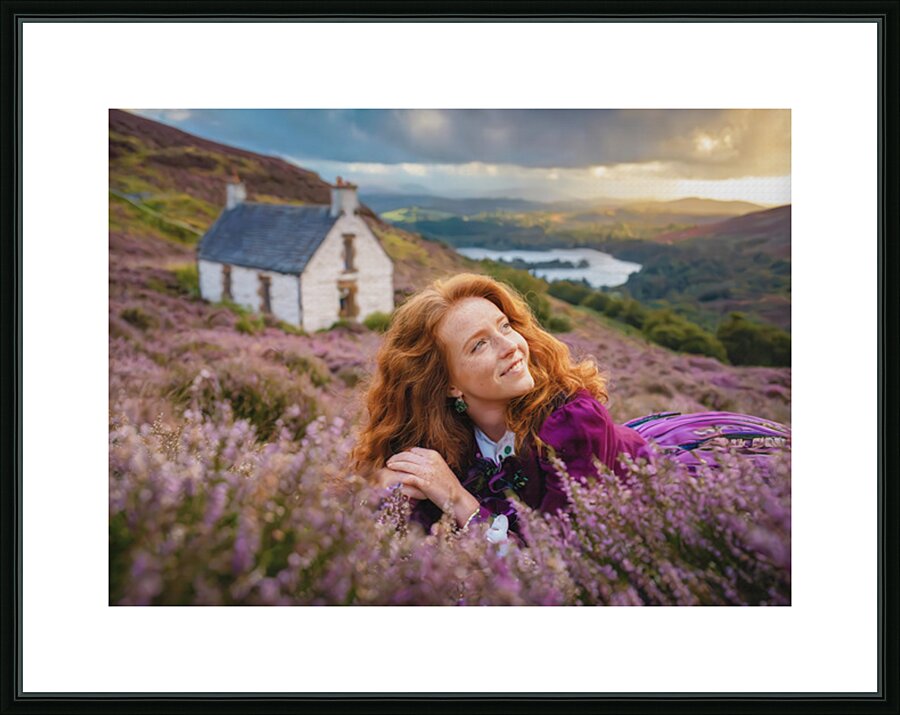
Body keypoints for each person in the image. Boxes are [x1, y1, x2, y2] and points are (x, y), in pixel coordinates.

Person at [351, 273, 789, 538]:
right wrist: (390, 491)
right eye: (479, 344)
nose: (511, 346)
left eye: (505, 326)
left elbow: (554, 565)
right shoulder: (441, 435)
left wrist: (456, 498)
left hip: (656, 496)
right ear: (448, 385)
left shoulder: (573, 422)